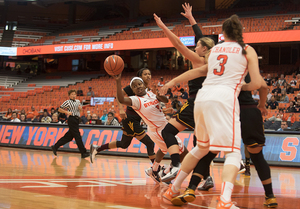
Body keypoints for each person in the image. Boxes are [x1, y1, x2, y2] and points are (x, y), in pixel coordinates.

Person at [162, 14, 264, 209]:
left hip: (202, 98)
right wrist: (241, 84)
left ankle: (173, 189)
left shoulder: (216, 49)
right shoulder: (247, 49)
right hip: (224, 100)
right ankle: (225, 200)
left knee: (201, 147)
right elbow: (257, 83)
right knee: (233, 152)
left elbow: (200, 72)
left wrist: (173, 81)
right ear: (240, 32)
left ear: (223, 34)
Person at [153, 5, 215, 183]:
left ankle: (175, 165)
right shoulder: (210, 59)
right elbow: (201, 37)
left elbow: (178, 44)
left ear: (203, 49)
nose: (195, 47)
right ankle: (207, 177)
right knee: (200, 144)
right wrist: (191, 18)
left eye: (197, 46)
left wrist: (164, 27)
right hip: (208, 107)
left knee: (168, 131)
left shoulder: (199, 60)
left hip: (196, 104)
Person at [90, 68, 156, 165]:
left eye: (149, 74)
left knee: (124, 144)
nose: (148, 76)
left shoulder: (147, 90)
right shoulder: (133, 86)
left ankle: (97, 148)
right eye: (145, 74)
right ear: (140, 76)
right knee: (150, 143)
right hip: (130, 119)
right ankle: (156, 170)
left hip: (136, 119)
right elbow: (118, 94)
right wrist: (121, 109)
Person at [51, 89, 89, 159]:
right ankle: (83, 152)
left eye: (74, 94)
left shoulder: (78, 101)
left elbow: (80, 111)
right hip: (72, 119)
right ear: (69, 95)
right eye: (72, 94)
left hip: (77, 120)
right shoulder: (67, 102)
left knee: (69, 137)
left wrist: (80, 109)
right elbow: (59, 109)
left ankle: (55, 146)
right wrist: (67, 112)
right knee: (77, 136)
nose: (73, 95)